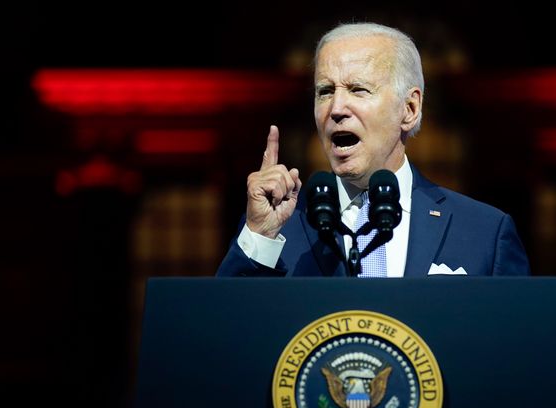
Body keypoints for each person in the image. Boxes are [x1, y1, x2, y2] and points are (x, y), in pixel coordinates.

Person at [217, 22, 529, 277]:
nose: (336, 108)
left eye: (358, 89)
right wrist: (259, 234)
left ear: (409, 108)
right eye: (325, 92)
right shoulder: (279, 228)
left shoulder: (485, 232)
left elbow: (517, 346)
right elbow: (224, 335)